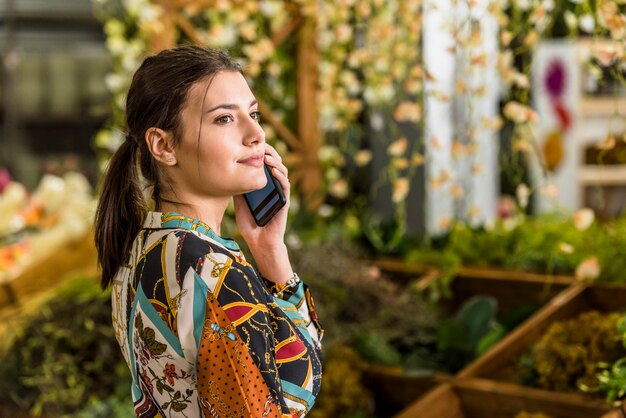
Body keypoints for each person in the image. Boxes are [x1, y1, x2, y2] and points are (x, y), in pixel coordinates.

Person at [94, 45, 323, 417]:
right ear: (163, 145)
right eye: (224, 119)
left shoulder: (143, 247)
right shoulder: (211, 271)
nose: (256, 135)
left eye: (253, 114)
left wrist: (268, 248)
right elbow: (280, 405)